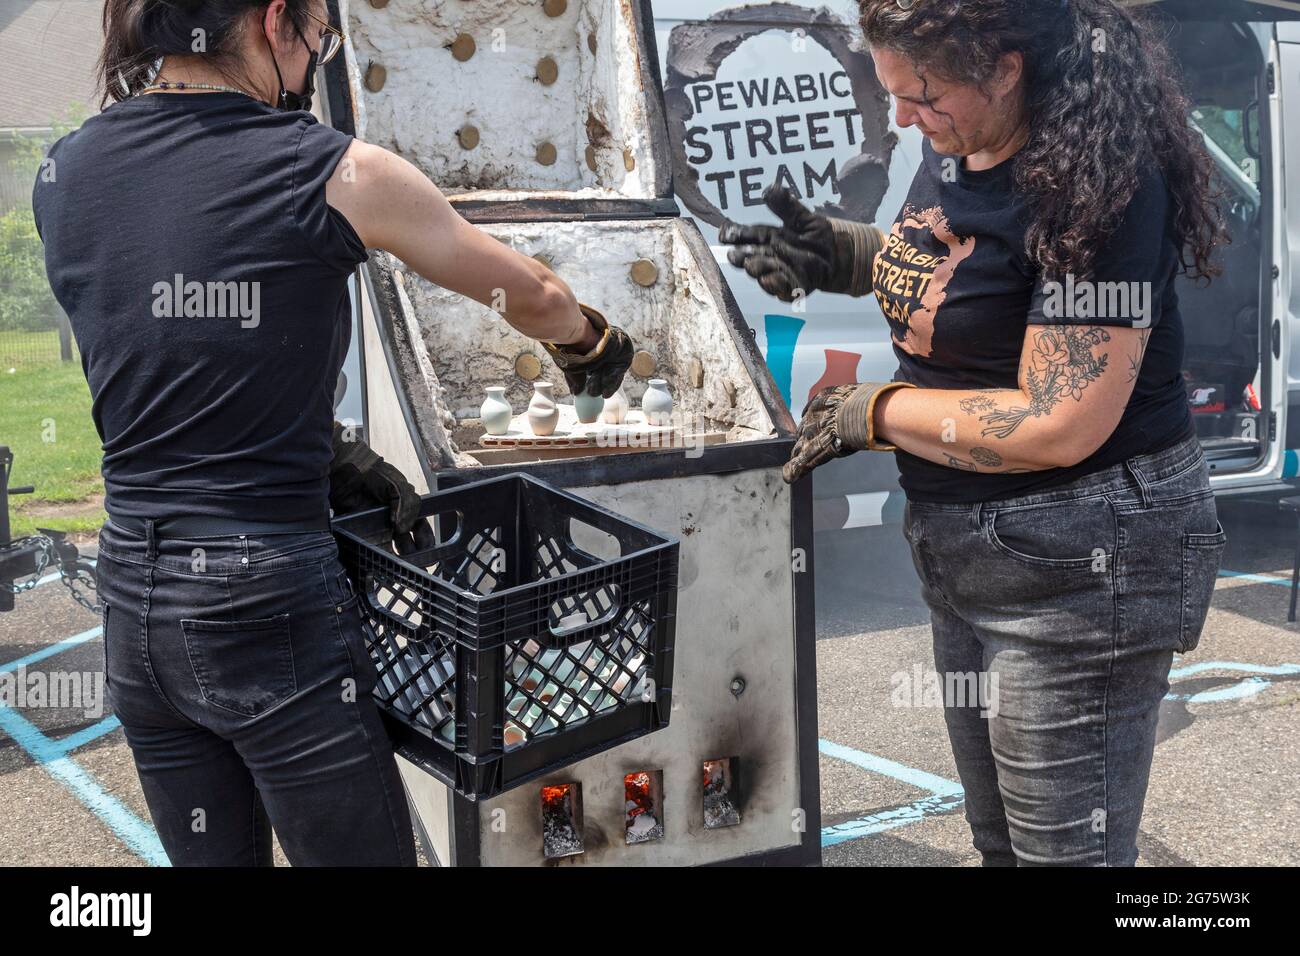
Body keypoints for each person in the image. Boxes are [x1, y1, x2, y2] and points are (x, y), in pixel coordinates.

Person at [33, 0, 633, 865]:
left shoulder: (68, 170)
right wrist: (592, 344)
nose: (317, 57)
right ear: (278, 21)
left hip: (131, 590)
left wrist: (324, 447)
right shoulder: (325, 169)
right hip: (264, 599)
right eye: (321, 38)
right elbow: (532, 292)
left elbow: (168, 347)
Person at [720, 0, 1228, 866]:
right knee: (999, 844)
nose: (903, 120)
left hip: (1082, 558)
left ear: (1006, 66)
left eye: (921, 94)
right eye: (892, 95)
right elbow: (968, 269)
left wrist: (872, 413)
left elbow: (1057, 420)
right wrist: (844, 253)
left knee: (1062, 859)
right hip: (966, 550)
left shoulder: (1098, 187)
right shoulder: (956, 140)